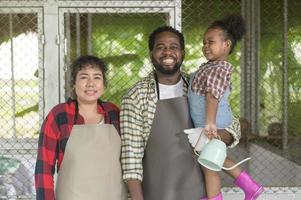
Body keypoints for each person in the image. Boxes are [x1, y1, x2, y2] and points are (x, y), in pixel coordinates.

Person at [120, 26, 241, 200]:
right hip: (156, 191)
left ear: (182, 54)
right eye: (160, 47)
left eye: (173, 47)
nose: (167, 51)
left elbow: (233, 125)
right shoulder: (135, 97)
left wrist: (213, 136)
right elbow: (131, 157)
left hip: (199, 191)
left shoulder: (198, 85)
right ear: (151, 54)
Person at [187, 15, 263, 200]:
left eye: (210, 42)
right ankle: (250, 187)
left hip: (216, 124)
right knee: (213, 159)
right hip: (214, 123)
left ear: (226, 45)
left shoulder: (218, 69)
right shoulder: (209, 67)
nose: (205, 46)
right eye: (204, 42)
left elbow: (212, 96)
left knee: (209, 163)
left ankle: (215, 198)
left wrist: (210, 123)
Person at [34, 55, 127, 200]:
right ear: (73, 83)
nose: (91, 84)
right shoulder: (60, 115)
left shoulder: (114, 113)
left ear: (104, 84)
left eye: (97, 77)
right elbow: (44, 168)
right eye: (84, 77)